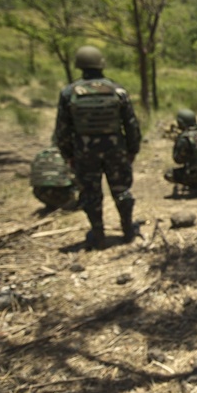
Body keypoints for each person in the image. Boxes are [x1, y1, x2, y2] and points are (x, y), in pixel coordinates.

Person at [54, 45, 142, 250]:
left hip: (84, 153)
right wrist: (132, 150)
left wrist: (68, 155)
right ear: (101, 64)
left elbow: (62, 129)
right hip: (115, 150)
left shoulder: (69, 93)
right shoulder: (117, 90)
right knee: (122, 190)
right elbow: (131, 125)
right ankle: (128, 231)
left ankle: (99, 235)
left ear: (79, 66)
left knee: (91, 194)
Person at [30, 145, 79, 211]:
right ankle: (67, 204)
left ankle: (52, 205)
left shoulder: (42, 153)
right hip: (61, 191)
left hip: (40, 192)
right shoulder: (70, 153)